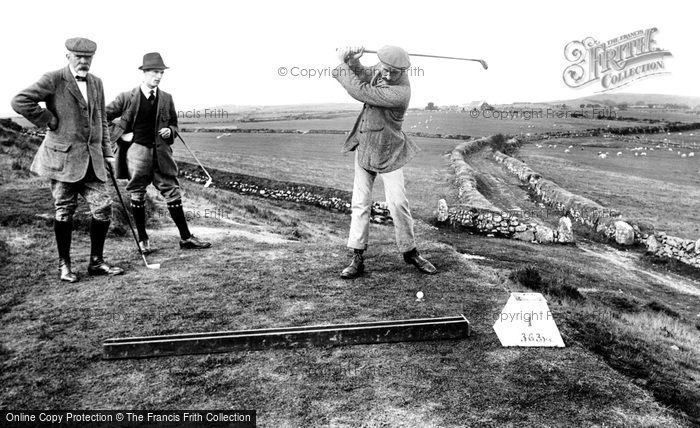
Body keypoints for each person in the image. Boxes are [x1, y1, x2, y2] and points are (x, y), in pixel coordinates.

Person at [11, 37, 124, 282]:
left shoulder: (97, 83)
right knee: (64, 211)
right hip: (62, 161)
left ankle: (96, 262)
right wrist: (47, 118)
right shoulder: (53, 78)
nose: (83, 62)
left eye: (88, 58)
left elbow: (101, 121)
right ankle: (65, 265)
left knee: (103, 207)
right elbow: (20, 100)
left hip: (92, 160)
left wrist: (107, 153)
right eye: (78, 57)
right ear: (68, 57)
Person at [333, 45, 437, 279]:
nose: (387, 75)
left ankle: (410, 252)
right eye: (385, 69)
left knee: (398, 203)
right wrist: (354, 62)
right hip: (365, 147)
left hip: (389, 151)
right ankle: (357, 258)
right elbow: (363, 76)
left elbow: (361, 90)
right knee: (360, 204)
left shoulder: (400, 93)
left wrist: (340, 63)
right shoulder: (382, 70)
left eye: (393, 72)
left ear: (402, 71)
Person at [106, 52, 210, 253]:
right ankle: (143, 241)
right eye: (155, 72)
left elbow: (174, 124)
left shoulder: (167, 98)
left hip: (162, 154)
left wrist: (170, 130)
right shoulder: (126, 97)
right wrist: (121, 134)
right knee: (137, 193)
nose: (159, 76)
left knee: (172, 191)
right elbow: (102, 116)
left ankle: (186, 238)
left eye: (161, 72)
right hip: (137, 153)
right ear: (144, 73)